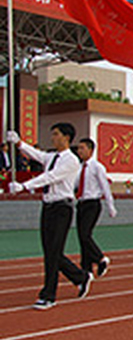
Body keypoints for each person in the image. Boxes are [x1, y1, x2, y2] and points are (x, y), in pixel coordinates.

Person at [7, 125, 93, 310]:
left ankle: (48, 295)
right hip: (47, 207)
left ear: (67, 137)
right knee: (51, 252)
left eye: (56, 134)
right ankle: (80, 277)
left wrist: (24, 186)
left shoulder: (71, 160)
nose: (52, 137)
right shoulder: (52, 156)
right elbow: (37, 155)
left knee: (53, 252)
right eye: (52, 134)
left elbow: (51, 177)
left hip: (62, 208)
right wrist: (19, 143)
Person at [74, 138, 116, 276]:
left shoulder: (97, 167)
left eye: (82, 148)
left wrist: (111, 206)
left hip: (92, 204)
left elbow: (105, 187)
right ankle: (86, 269)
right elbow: (74, 185)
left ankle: (100, 258)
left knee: (85, 234)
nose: (79, 151)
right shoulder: (79, 167)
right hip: (81, 204)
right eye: (78, 148)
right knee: (82, 236)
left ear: (90, 150)